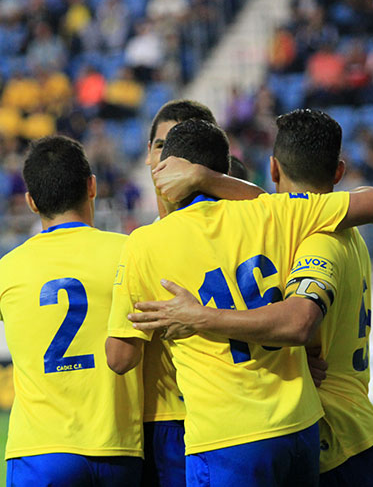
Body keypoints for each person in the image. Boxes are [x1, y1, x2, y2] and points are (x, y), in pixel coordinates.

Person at [107, 116, 373, 487]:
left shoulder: (144, 243)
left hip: (232, 435)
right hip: (304, 424)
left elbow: (120, 357)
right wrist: (209, 179)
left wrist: (195, 319)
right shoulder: (275, 216)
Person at [0, 136, 143, 486]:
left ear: (30, 202)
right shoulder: (131, 252)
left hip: (39, 449)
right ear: (92, 187)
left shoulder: (4, 272)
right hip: (117, 447)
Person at [141, 99, 264, 487]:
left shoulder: (247, 226)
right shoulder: (138, 246)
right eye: (162, 146)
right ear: (148, 155)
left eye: (183, 151)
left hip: (234, 420)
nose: (170, 159)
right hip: (163, 423)